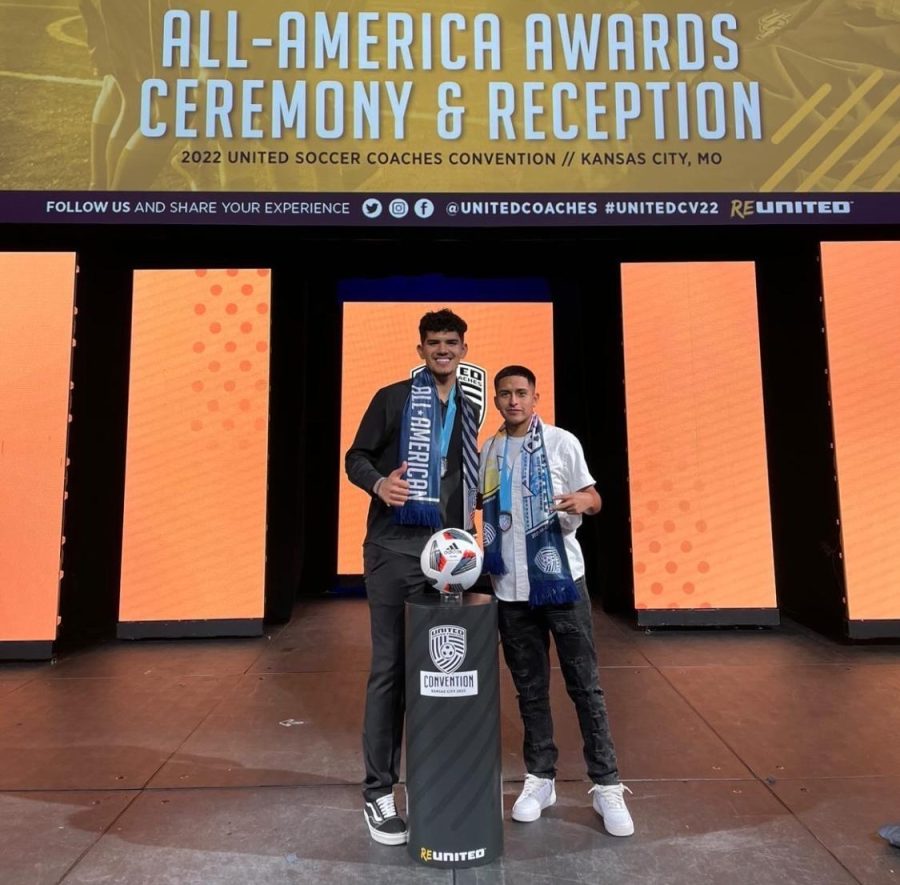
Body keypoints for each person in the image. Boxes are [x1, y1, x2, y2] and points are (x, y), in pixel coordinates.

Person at [478, 365, 634, 836]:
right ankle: (540, 777)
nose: (512, 402)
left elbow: (595, 498)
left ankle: (606, 784)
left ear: (535, 395)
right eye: (504, 394)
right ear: (496, 399)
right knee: (529, 689)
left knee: (585, 686)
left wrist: (582, 503)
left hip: (563, 584)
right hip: (511, 590)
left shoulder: (562, 442)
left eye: (521, 393)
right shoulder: (488, 450)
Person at [345, 308, 479, 845]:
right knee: (391, 670)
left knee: (442, 674)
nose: (442, 350)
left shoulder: (469, 406)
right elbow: (355, 457)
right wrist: (379, 485)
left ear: (464, 349)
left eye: (451, 342)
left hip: (447, 559)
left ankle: (435, 780)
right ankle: (378, 793)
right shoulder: (393, 398)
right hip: (393, 552)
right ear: (420, 350)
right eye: (433, 343)